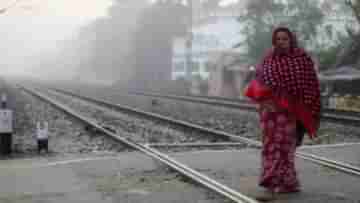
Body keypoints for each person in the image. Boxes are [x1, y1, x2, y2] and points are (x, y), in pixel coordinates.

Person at [244, 27, 321, 199]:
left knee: (286, 147)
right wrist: (264, 102)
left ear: (291, 40)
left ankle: (287, 182)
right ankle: (271, 180)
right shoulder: (268, 59)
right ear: (274, 41)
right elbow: (257, 83)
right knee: (270, 146)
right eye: (278, 39)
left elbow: (310, 86)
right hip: (270, 113)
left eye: (284, 39)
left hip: (290, 114)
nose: (281, 42)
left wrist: (303, 108)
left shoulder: (302, 59)